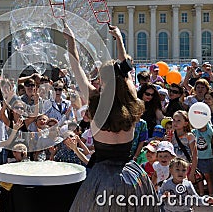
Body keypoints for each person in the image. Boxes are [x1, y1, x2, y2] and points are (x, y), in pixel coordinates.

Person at [64, 21, 158, 211]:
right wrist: (119, 40)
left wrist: (71, 41)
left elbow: (76, 66)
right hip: (131, 177)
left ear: (102, 80)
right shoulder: (131, 101)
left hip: (101, 180)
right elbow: (126, 70)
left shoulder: (95, 102)